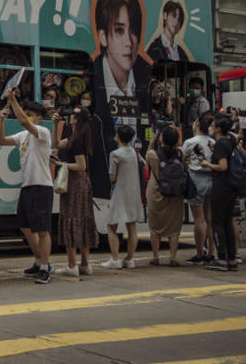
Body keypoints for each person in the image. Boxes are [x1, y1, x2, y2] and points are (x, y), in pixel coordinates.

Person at [90, 0, 151, 199]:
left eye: (133, 30)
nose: (129, 42)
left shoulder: (146, 75)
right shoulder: (91, 74)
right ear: (103, 36)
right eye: (119, 30)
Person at [0, 89, 52, 284]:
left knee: (42, 229)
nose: (27, 117)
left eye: (31, 115)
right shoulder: (23, 136)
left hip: (42, 185)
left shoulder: (43, 132)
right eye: (26, 113)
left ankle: (45, 268)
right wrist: (1, 120)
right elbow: (0, 141)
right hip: (27, 185)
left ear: (39, 118)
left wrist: (12, 99)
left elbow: (23, 122)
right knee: (26, 227)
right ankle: (38, 261)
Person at [50, 110, 98, 277]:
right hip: (82, 183)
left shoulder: (76, 140)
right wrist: (55, 125)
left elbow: (81, 166)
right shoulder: (77, 136)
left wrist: (61, 164)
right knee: (83, 220)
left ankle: (72, 265)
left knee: (71, 219)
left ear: (76, 119)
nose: (70, 116)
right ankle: (85, 264)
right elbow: (56, 143)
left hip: (75, 182)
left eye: (72, 114)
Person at [101, 125, 144, 269]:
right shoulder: (134, 152)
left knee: (111, 225)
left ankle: (115, 259)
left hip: (120, 192)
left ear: (118, 136)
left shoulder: (115, 154)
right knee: (131, 226)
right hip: (134, 192)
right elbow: (143, 165)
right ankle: (130, 259)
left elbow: (112, 177)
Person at [202, 113, 239, 272]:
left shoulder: (220, 144)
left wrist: (207, 164)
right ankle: (231, 258)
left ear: (218, 128)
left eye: (213, 124)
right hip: (231, 187)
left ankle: (221, 258)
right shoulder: (230, 140)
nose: (210, 127)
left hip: (221, 186)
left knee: (217, 222)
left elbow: (223, 166)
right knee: (227, 223)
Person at [146, 127, 185, 267]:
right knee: (174, 229)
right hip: (176, 194)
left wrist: (154, 138)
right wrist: (176, 135)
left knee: (155, 228)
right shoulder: (181, 153)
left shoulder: (153, 154)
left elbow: (147, 156)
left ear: (161, 138)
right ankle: (173, 258)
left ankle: (155, 257)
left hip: (157, 193)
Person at [182, 114, 217, 264]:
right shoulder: (213, 141)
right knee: (209, 220)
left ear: (196, 126)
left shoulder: (189, 142)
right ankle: (211, 252)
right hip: (212, 179)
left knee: (199, 220)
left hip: (196, 180)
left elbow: (183, 159)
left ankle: (199, 253)